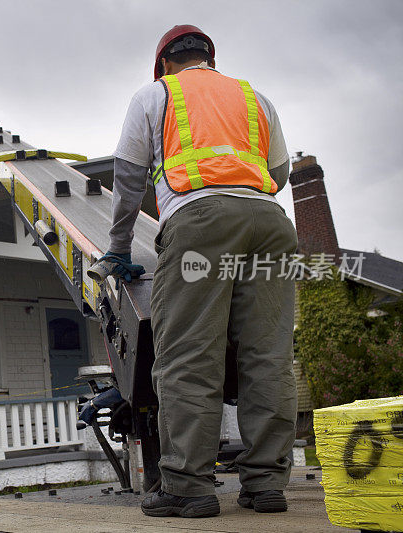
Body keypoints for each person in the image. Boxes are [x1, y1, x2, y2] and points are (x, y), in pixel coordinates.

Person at [93, 25, 297, 518]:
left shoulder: (155, 94)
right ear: (209, 58)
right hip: (269, 223)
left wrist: (118, 247)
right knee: (268, 357)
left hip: (200, 223)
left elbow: (126, 178)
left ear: (164, 63)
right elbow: (281, 171)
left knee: (188, 356)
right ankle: (266, 485)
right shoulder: (256, 99)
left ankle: (188, 487)